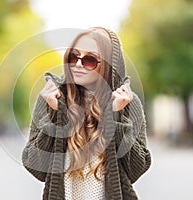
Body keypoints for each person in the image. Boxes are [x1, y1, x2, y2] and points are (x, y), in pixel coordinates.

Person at [22, 27, 151, 200]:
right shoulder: (52, 98)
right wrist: (54, 116)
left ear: (108, 66)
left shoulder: (127, 102)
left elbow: (136, 169)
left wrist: (116, 117)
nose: (78, 64)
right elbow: (36, 167)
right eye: (73, 57)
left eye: (90, 59)